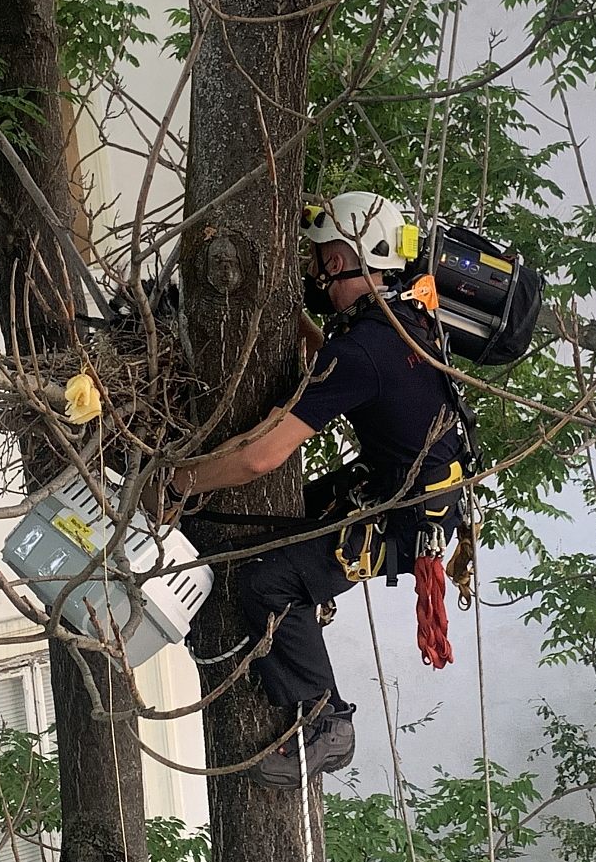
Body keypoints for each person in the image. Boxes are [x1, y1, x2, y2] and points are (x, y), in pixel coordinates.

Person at [164, 192, 466, 788]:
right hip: (403, 490)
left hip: (406, 520)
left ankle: (327, 719)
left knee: (268, 580)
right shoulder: (403, 319)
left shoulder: (365, 348)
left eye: (320, 258)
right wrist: (298, 325)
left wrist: (178, 479)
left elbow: (259, 457)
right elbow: (344, 366)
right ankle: (309, 611)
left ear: (339, 261)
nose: (315, 272)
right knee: (287, 517)